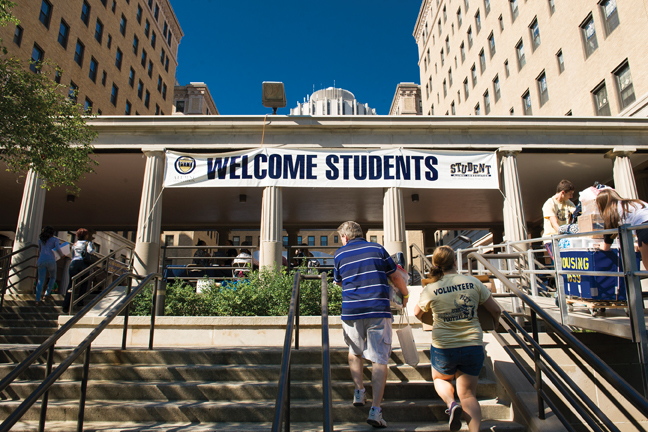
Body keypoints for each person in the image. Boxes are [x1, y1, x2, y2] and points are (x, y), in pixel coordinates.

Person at [414, 246, 502, 432]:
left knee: (440, 379)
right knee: (469, 395)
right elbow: (495, 309)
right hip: (472, 344)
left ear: (436, 264)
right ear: (455, 262)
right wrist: (496, 323)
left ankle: (451, 404)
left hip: (444, 346)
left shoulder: (432, 288)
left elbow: (417, 313)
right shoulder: (472, 282)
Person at [333, 221, 408, 428]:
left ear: (345, 237)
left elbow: (339, 281)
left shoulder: (339, 255)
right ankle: (375, 409)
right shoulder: (377, 249)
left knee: (354, 351)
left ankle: (359, 392)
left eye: (341, 237)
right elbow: (394, 275)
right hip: (377, 309)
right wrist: (405, 294)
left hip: (351, 311)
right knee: (379, 359)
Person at [596, 188, 648, 270]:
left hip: (644, 229)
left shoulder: (612, 210)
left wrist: (603, 246)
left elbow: (607, 242)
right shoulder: (634, 202)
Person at [542, 179, 576, 259]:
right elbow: (555, 224)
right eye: (570, 194)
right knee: (559, 262)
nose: (572, 197)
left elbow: (576, 212)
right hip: (551, 239)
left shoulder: (568, 202)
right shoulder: (549, 204)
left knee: (567, 263)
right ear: (563, 193)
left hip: (564, 239)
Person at [63, 228, 95, 312]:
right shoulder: (87, 243)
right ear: (85, 235)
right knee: (84, 283)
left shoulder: (74, 244)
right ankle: (80, 301)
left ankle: (66, 304)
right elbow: (90, 251)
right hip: (83, 263)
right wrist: (94, 249)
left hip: (73, 263)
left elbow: (72, 254)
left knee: (71, 284)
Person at [35, 226, 62, 306]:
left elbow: (40, 251)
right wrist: (61, 255)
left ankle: (37, 299)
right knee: (53, 277)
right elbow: (57, 248)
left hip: (41, 260)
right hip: (51, 260)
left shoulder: (40, 240)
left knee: (40, 280)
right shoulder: (55, 239)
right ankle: (47, 294)